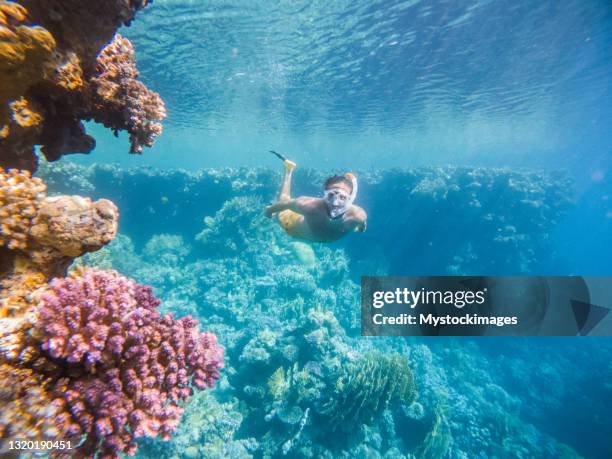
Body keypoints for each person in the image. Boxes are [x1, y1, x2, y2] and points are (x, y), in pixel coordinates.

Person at [264, 151, 367, 242]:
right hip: (291, 226)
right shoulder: (309, 206)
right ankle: (289, 170)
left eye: (342, 197)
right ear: (324, 194)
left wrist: (360, 228)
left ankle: (289, 168)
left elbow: (362, 225)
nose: (335, 203)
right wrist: (269, 211)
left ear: (350, 198)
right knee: (284, 200)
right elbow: (284, 204)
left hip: (312, 236)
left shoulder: (358, 216)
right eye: (331, 195)